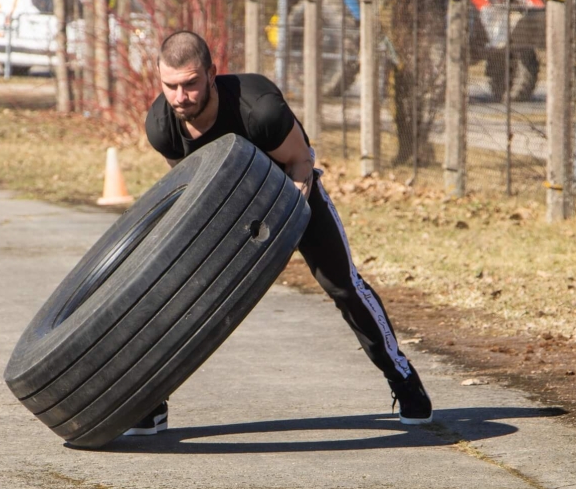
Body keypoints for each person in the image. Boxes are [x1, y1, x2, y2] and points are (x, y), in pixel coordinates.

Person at [123, 30, 432, 436]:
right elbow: (193, 186)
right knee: (174, 292)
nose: (181, 97)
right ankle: (151, 401)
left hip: (290, 190)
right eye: (171, 86)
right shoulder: (162, 126)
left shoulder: (260, 110)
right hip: (226, 205)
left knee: (343, 285)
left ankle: (403, 379)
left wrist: (280, 230)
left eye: (191, 84)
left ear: (212, 74)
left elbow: (301, 162)